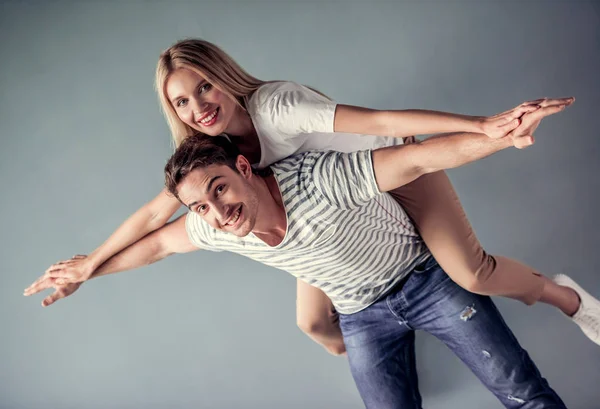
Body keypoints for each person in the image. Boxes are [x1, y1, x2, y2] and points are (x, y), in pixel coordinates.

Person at [27, 39, 589, 349]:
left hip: (391, 170)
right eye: (181, 102)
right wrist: (88, 268)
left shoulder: (278, 106)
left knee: (472, 275)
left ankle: (568, 299)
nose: (198, 106)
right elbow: (156, 221)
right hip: (323, 213)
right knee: (314, 324)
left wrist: (484, 125)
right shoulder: (210, 156)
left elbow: (380, 120)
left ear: (223, 75)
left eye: (204, 85)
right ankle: (380, 343)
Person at [27, 125, 598, 407]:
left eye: (221, 191)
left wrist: (497, 135)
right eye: (201, 205)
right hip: (361, 316)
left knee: (522, 392)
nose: (219, 213)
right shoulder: (210, 224)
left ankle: (564, 297)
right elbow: (154, 245)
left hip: (426, 281)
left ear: (246, 168)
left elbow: (418, 156)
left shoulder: (319, 180)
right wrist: (87, 272)